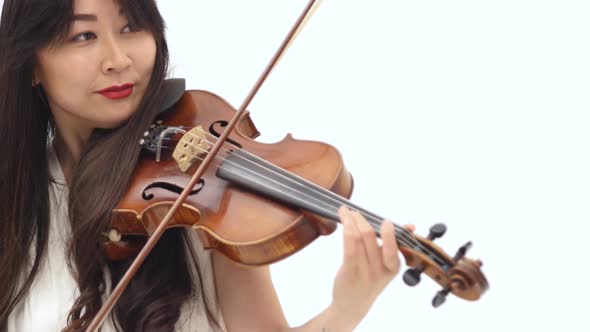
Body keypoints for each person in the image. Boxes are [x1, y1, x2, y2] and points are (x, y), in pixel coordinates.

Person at [0, 0, 413, 331]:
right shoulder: (13, 201)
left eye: (130, 27)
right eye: (84, 35)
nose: (118, 58)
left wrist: (347, 309)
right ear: (32, 62)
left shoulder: (206, 195)